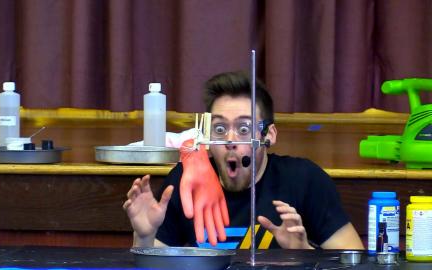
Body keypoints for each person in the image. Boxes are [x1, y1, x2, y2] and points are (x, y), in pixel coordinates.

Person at [123, 71, 364, 249]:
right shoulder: (184, 181)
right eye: (219, 129)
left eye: (243, 128)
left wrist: (304, 252)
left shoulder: (304, 179)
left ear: (268, 135)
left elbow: (354, 261)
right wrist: (144, 236)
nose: (229, 140)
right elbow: (153, 264)